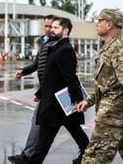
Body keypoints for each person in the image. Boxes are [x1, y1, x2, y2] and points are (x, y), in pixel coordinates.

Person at [75, 8, 123, 164]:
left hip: (112, 118)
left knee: (92, 159)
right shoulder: (109, 48)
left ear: (109, 24)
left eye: (99, 21)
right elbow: (107, 85)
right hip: (115, 116)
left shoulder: (120, 49)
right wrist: (89, 101)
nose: (96, 24)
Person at [27, 16, 89, 164]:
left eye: (56, 28)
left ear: (65, 31)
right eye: (51, 27)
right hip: (57, 104)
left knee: (42, 145)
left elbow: (70, 78)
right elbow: (51, 77)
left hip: (57, 105)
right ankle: (88, 156)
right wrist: (39, 93)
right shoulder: (56, 47)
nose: (52, 30)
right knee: (75, 132)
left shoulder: (65, 50)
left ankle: (88, 156)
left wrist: (77, 101)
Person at [7, 14, 55, 164]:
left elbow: (52, 72)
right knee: (70, 126)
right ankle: (28, 156)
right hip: (47, 91)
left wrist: (40, 92)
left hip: (52, 91)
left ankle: (28, 156)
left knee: (39, 123)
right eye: (46, 26)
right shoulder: (45, 42)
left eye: (51, 26)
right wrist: (23, 71)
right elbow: (37, 64)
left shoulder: (56, 44)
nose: (48, 29)